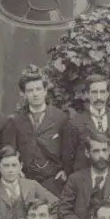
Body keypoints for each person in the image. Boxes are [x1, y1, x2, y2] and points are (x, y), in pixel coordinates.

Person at [7, 66, 71, 196]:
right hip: (25, 179)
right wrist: (16, 170)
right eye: (30, 90)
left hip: (53, 181)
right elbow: (11, 150)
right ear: (24, 94)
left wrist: (65, 170)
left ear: (45, 91)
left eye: (38, 89)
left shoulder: (60, 118)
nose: (35, 94)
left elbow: (68, 149)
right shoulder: (16, 120)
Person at [66, 74, 110, 174]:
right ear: (87, 94)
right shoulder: (75, 122)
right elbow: (68, 159)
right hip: (87, 184)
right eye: (94, 92)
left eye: (102, 92)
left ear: (108, 94)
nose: (99, 97)